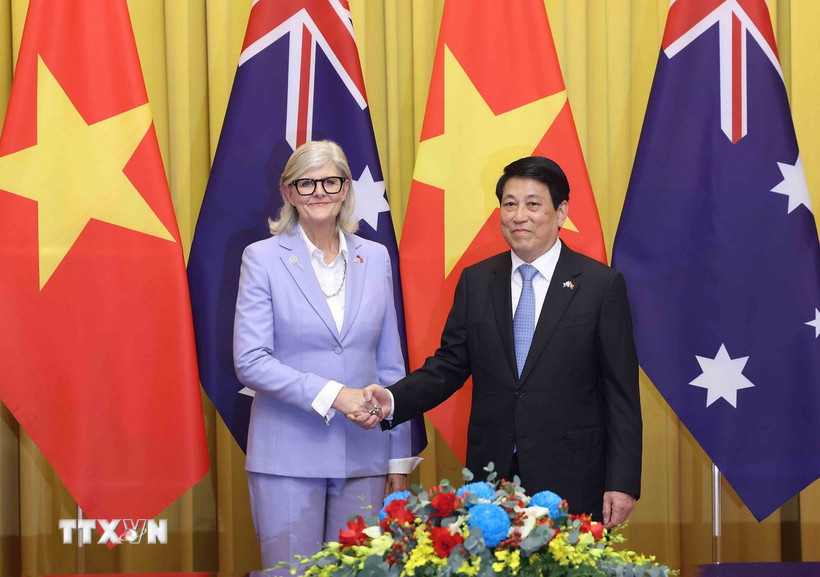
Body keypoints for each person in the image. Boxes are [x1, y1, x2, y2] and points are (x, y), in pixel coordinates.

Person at [352, 156, 641, 528]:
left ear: (561, 212)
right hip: (492, 476)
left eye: (533, 204)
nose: (519, 216)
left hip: (574, 474)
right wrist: (392, 400)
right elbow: (448, 366)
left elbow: (621, 394)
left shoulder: (600, 286)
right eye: (509, 204)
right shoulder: (477, 281)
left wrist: (622, 482)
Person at [233, 140, 416, 568]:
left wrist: (398, 457)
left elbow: (390, 364)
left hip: (366, 456)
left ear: (346, 188)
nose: (319, 192)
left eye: (330, 181)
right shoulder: (261, 258)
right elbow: (251, 360)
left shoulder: (376, 257)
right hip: (287, 457)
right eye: (306, 183)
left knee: (359, 573)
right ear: (288, 191)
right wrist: (336, 394)